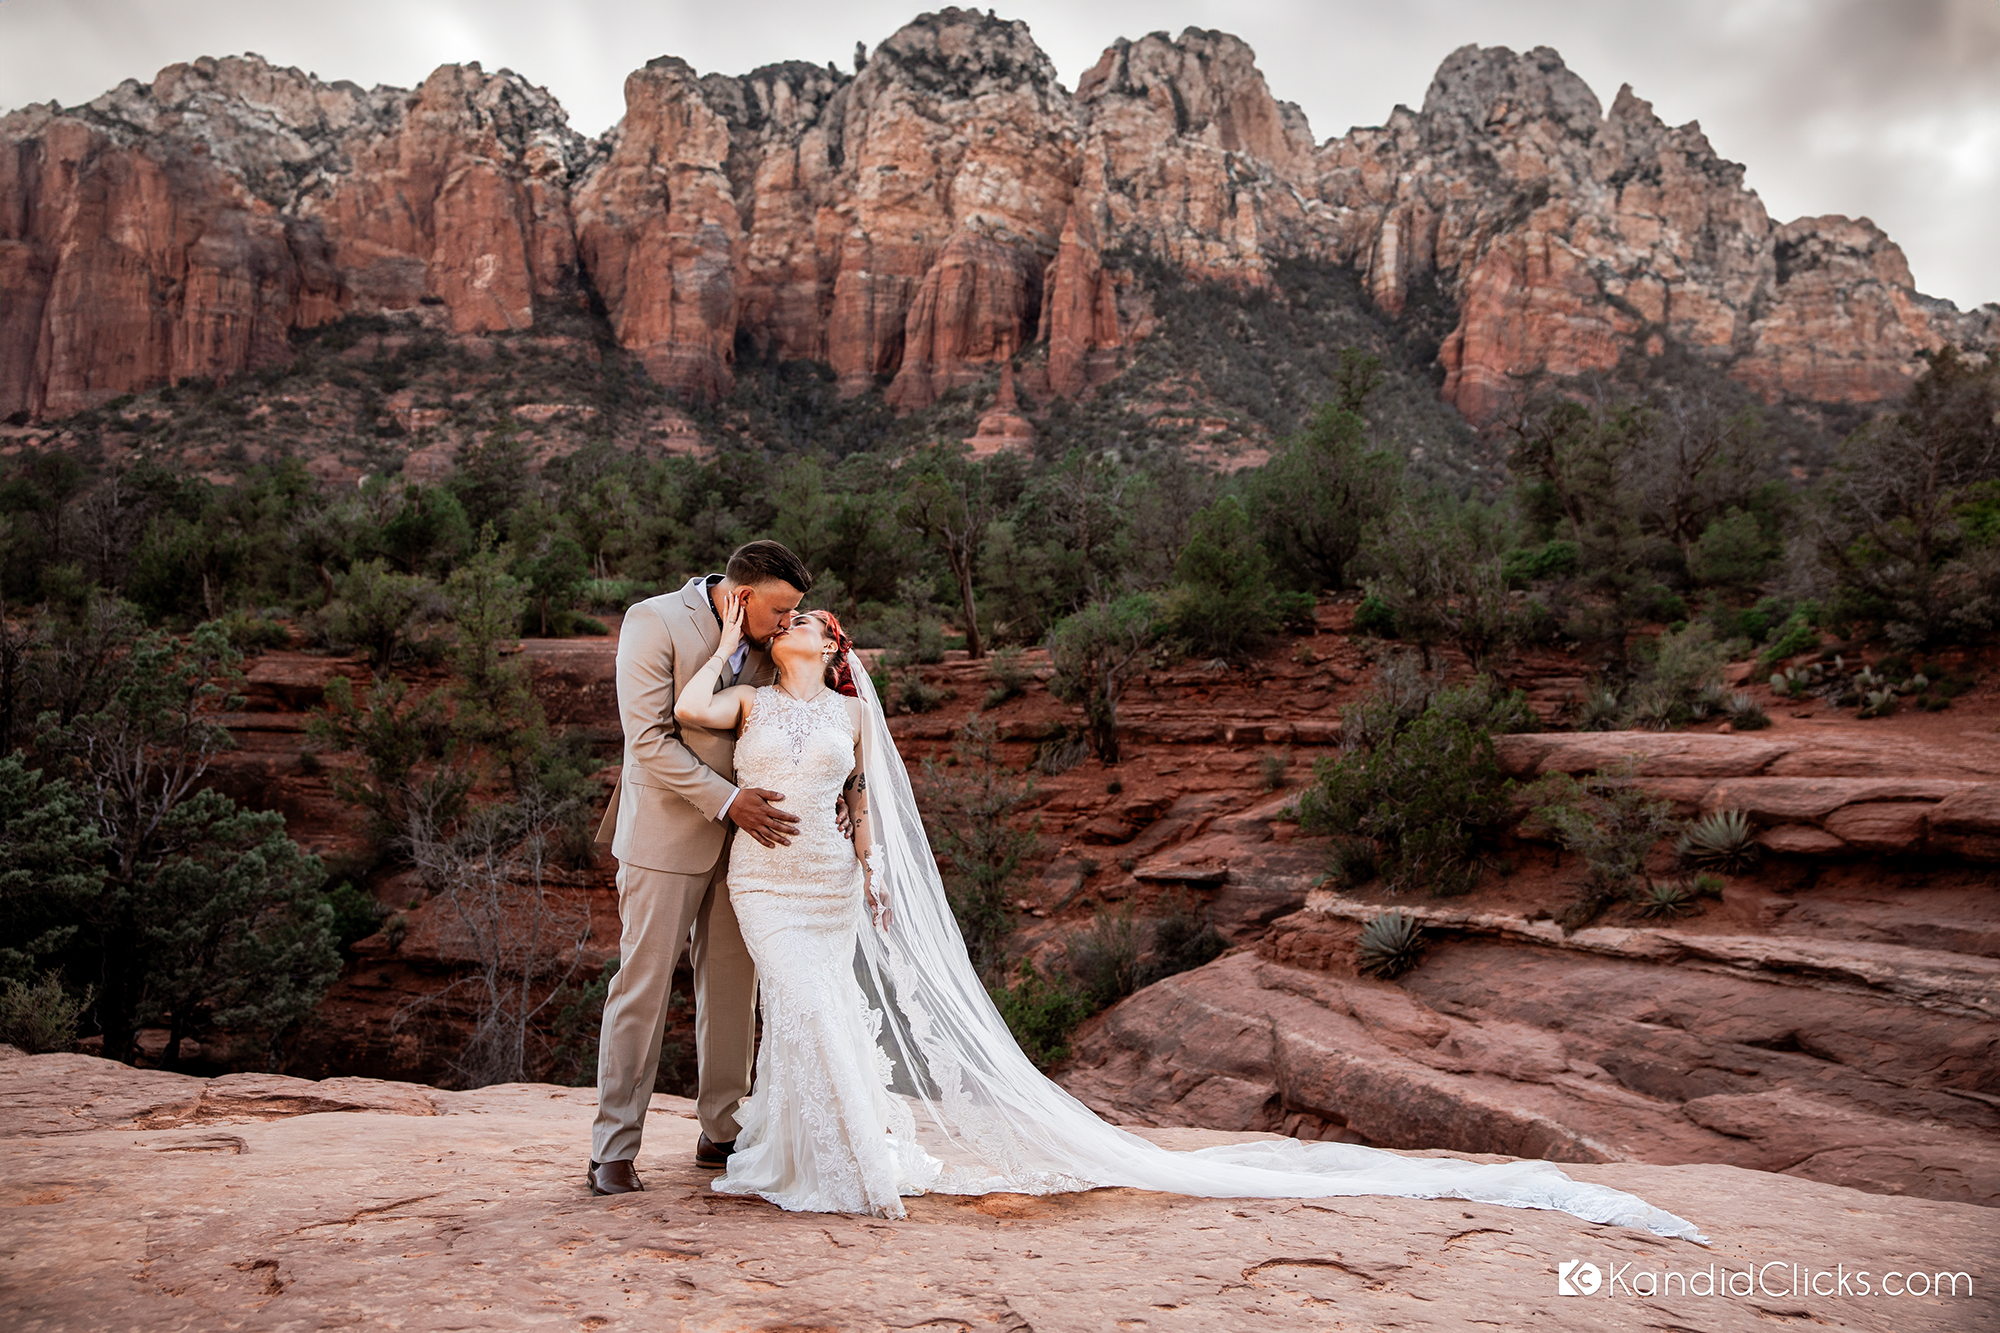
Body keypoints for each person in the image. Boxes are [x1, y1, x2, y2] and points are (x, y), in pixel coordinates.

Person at [670, 598, 1711, 1242]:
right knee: (800, 1010)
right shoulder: (752, 700)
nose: (792, 627)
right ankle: (814, 1157)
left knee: (823, 1013)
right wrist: (725, 635)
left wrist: (869, 869)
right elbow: (688, 716)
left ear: (835, 647)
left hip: (828, 886)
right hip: (765, 887)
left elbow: (867, 807)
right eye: (788, 622)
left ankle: (832, 1164)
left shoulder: (854, 713)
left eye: (805, 622)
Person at [587, 540, 824, 1197]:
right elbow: (648, 739)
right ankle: (612, 1147)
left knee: (731, 988)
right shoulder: (653, 620)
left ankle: (722, 1129)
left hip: (751, 844)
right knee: (643, 984)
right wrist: (727, 801)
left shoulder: (776, 637)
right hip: (667, 835)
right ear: (740, 595)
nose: (785, 624)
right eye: (779, 610)